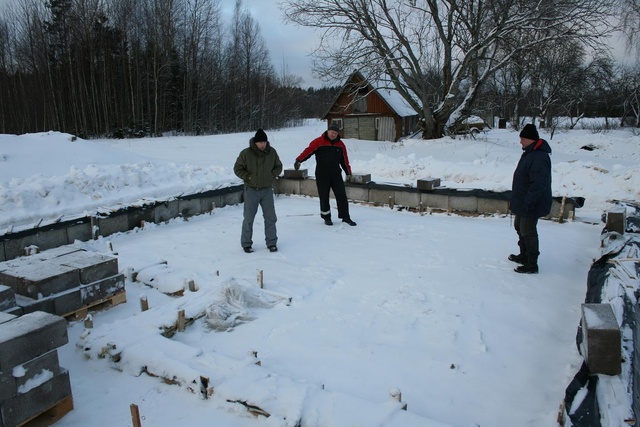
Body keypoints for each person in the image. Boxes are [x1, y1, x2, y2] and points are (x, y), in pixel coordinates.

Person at [509, 123, 552, 274]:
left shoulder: (539, 157)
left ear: (530, 139)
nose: (520, 141)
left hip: (531, 202)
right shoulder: (530, 152)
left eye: (522, 139)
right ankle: (524, 255)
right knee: (519, 226)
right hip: (523, 200)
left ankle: (532, 263)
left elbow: (539, 184)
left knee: (528, 231)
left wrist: (529, 201)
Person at [294, 123, 357, 226]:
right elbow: (308, 151)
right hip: (322, 173)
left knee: (341, 195)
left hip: (336, 173)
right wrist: (299, 160)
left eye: (336, 133)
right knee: (324, 196)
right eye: (332, 132)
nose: (333, 135)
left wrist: (348, 172)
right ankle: (326, 217)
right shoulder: (318, 142)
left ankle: (345, 217)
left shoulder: (340, 145)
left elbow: (345, 160)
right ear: (328, 131)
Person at [233, 129, 283, 253]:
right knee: (249, 218)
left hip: (266, 190)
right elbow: (237, 168)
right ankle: (246, 244)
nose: (262, 145)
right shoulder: (246, 153)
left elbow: (279, 166)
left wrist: (272, 175)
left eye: (264, 142)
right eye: (260, 142)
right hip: (251, 190)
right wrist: (248, 177)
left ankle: (272, 243)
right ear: (255, 142)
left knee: (271, 218)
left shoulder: (272, 152)